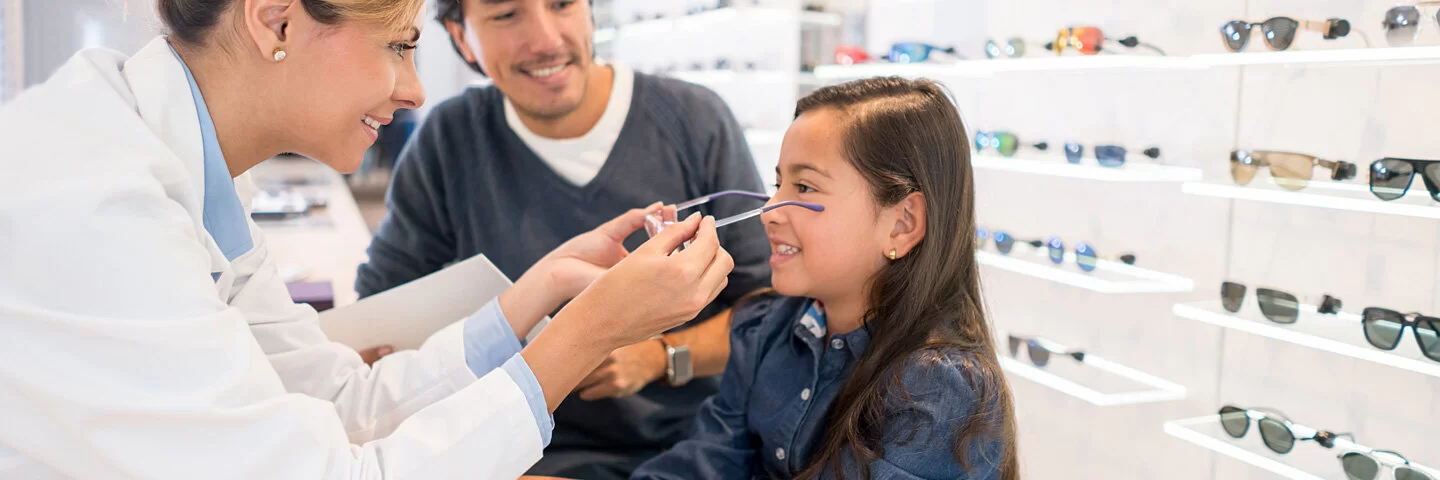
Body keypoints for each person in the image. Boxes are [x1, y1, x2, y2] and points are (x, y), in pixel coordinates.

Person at [0, 0, 733, 478]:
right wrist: (586, 331)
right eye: (397, 46)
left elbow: (341, 401)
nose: (414, 88)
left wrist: (537, 293)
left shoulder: (192, 178)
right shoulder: (100, 205)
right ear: (276, 20)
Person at [352, 0, 772, 477]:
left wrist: (659, 358)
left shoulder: (694, 120)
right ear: (461, 35)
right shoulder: (450, 139)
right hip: (514, 451)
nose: (547, 39)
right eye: (507, 15)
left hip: (689, 449)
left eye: (562, 4)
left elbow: (769, 308)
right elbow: (384, 308)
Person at [630, 77, 1021, 479]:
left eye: (804, 186)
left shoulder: (937, 388)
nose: (770, 211)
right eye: (777, 183)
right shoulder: (764, 329)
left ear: (902, 224)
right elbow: (702, 465)